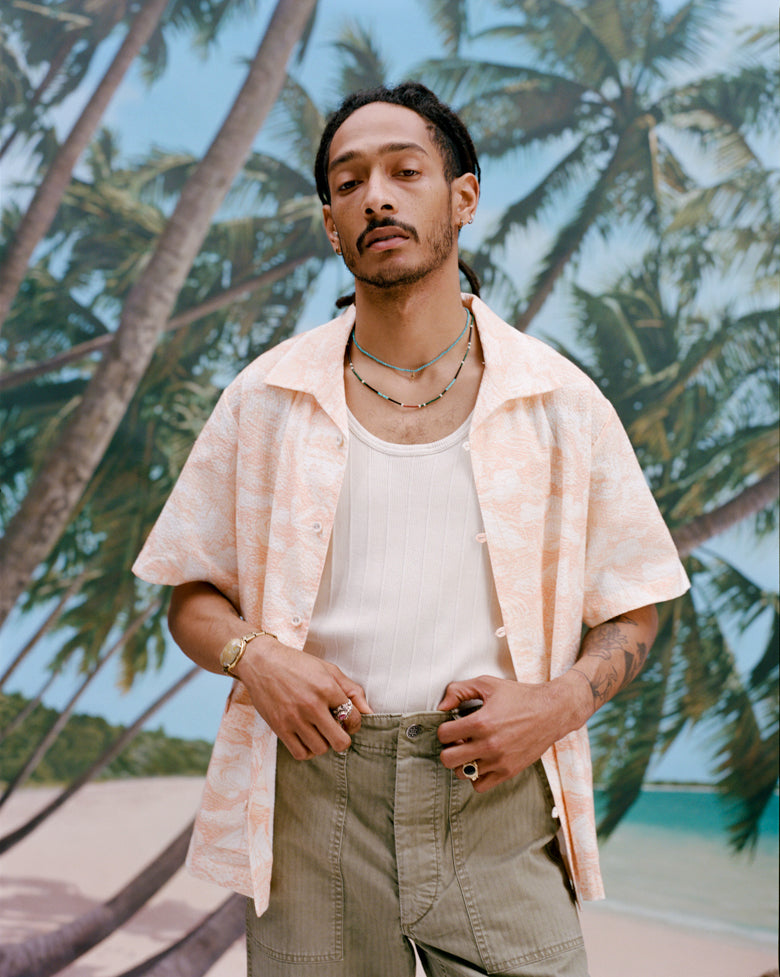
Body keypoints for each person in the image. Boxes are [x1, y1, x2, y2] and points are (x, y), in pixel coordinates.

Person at [133, 82, 689, 976]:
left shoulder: (560, 400)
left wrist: (553, 705)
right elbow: (192, 593)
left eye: (405, 171)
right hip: (318, 807)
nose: (376, 197)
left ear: (463, 197)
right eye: (348, 182)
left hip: (497, 800)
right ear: (330, 221)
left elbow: (634, 607)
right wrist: (259, 660)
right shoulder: (265, 399)